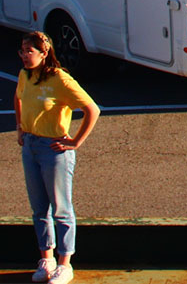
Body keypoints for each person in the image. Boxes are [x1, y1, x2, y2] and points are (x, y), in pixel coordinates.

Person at [14, 31, 100, 284]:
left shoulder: (60, 79)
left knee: (61, 209)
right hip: (30, 145)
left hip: (53, 149)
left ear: (44, 53)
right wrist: (20, 127)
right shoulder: (25, 75)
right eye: (22, 51)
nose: (24, 56)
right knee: (39, 208)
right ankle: (47, 259)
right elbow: (18, 97)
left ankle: (64, 263)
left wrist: (75, 141)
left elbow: (92, 109)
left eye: (29, 51)